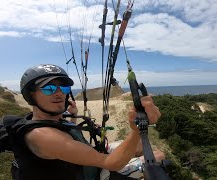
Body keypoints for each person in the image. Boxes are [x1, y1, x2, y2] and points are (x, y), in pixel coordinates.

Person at [14, 64, 161, 180]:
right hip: (96, 173)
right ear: (30, 95)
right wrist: (136, 130)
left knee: (141, 145)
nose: (59, 93)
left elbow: (68, 136)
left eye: (63, 87)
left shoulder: (46, 119)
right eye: (49, 88)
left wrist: (73, 116)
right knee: (159, 155)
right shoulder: (43, 136)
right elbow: (111, 163)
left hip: (86, 162)